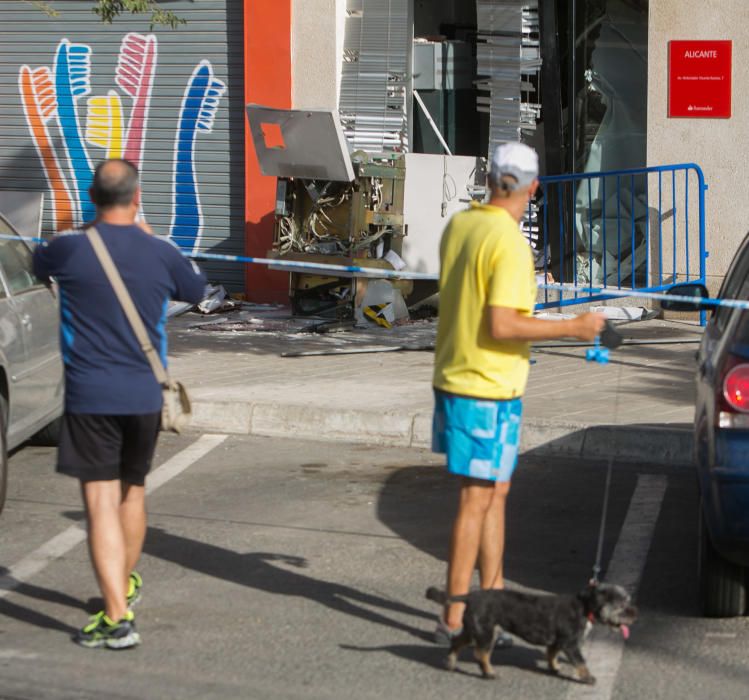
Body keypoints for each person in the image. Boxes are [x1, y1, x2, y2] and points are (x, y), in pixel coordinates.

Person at [431, 142, 606, 645]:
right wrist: (573, 328)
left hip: (467, 380)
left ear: (490, 179)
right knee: (476, 498)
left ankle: (495, 598)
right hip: (483, 387)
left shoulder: (462, 225)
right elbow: (503, 323)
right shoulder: (508, 242)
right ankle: (454, 621)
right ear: (532, 188)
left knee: (494, 494)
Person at [33, 159, 207, 649]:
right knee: (133, 492)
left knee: (99, 502)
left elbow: (40, 263)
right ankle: (122, 586)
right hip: (144, 395)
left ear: (92, 198)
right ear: (136, 198)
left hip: (91, 397)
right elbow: (196, 288)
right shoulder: (159, 253)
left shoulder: (67, 248)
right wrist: (146, 233)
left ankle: (116, 616)